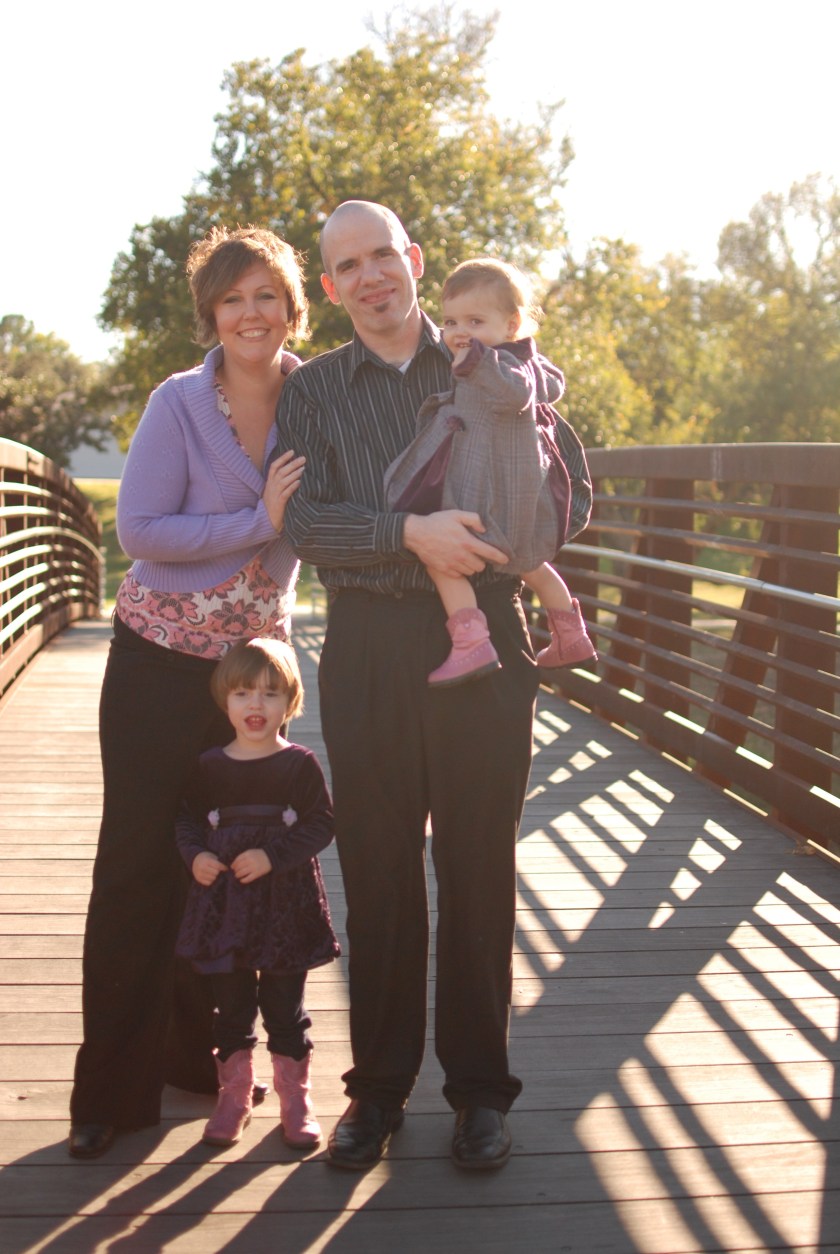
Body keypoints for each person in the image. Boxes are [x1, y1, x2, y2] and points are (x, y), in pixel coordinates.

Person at [276, 200, 592, 1172]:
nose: (371, 276)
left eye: (383, 254)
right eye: (349, 266)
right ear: (331, 286)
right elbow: (306, 523)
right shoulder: (313, 390)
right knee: (375, 868)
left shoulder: (486, 355)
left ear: (412, 259)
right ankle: (376, 1091)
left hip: (485, 634)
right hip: (369, 642)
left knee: (478, 865)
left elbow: (568, 482)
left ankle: (480, 1093)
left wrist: (512, 540)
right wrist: (409, 533)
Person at [68, 226, 309, 1159]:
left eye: (267, 295)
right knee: (137, 866)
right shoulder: (179, 402)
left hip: (247, 679)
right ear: (212, 312)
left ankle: (193, 1055)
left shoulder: (317, 401)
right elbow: (140, 530)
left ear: (293, 307)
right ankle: (108, 1092)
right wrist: (258, 519)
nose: (251, 313)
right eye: (233, 297)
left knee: (220, 863)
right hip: (157, 663)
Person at [384, 257, 596, 687]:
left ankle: (471, 643)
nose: (459, 332)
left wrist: (476, 361)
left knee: (444, 563)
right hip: (513, 499)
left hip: (486, 499)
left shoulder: (502, 366)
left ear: (512, 323)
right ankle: (571, 634)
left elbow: (516, 392)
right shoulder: (517, 361)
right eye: (450, 321)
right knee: (530, 563)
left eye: (475, 321)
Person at [175, 638, 339, 1150]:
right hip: (226, 907)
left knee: (285, 1008)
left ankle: (295, 1099)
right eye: (243, 692)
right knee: (232, 1007)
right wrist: (195, 855)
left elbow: (321, 823)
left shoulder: (299, 764)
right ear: (224, 700)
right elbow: (187, 820)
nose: (256, 704)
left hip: (284, 906)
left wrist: (273, 855)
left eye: (270, 694)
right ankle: (235, 1095)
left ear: (289, 703)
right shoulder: (209, 766)